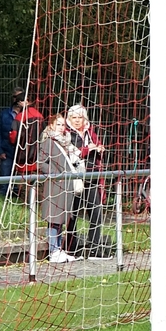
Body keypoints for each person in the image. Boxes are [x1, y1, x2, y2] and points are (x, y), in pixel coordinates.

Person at [64, 104, 111, 259]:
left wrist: (99, 148)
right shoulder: (66, 133)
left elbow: (97, 145)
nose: (77, 120)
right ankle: (71, 249)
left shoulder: (90, 132)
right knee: (72, 214)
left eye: (80, 117)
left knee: (96, 212)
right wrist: (87, 149)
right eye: (74, 118)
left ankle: (95, 249)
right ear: (69, 119)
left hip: (91, 176)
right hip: (76, 178)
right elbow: (70, 152)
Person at [38, 114, 83, 264]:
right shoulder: (48, 142)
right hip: (55, 186)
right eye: (58, 124)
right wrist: (56, 175)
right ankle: (53, 251)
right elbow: (41, 162)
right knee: (54, 219)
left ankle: (58, 248)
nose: (61, 127)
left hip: (66, 186)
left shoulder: (65, 142)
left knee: (61, 219)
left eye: (63, 125)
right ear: (51, 125)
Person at [0, 87, 24, 191]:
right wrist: (0, 151)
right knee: (5, 182)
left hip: (23, 154)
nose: (18, 100)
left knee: (21, 184)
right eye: (16, 97)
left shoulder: (27, 114)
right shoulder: (4, 114)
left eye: (21, 97)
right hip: (7, 152)